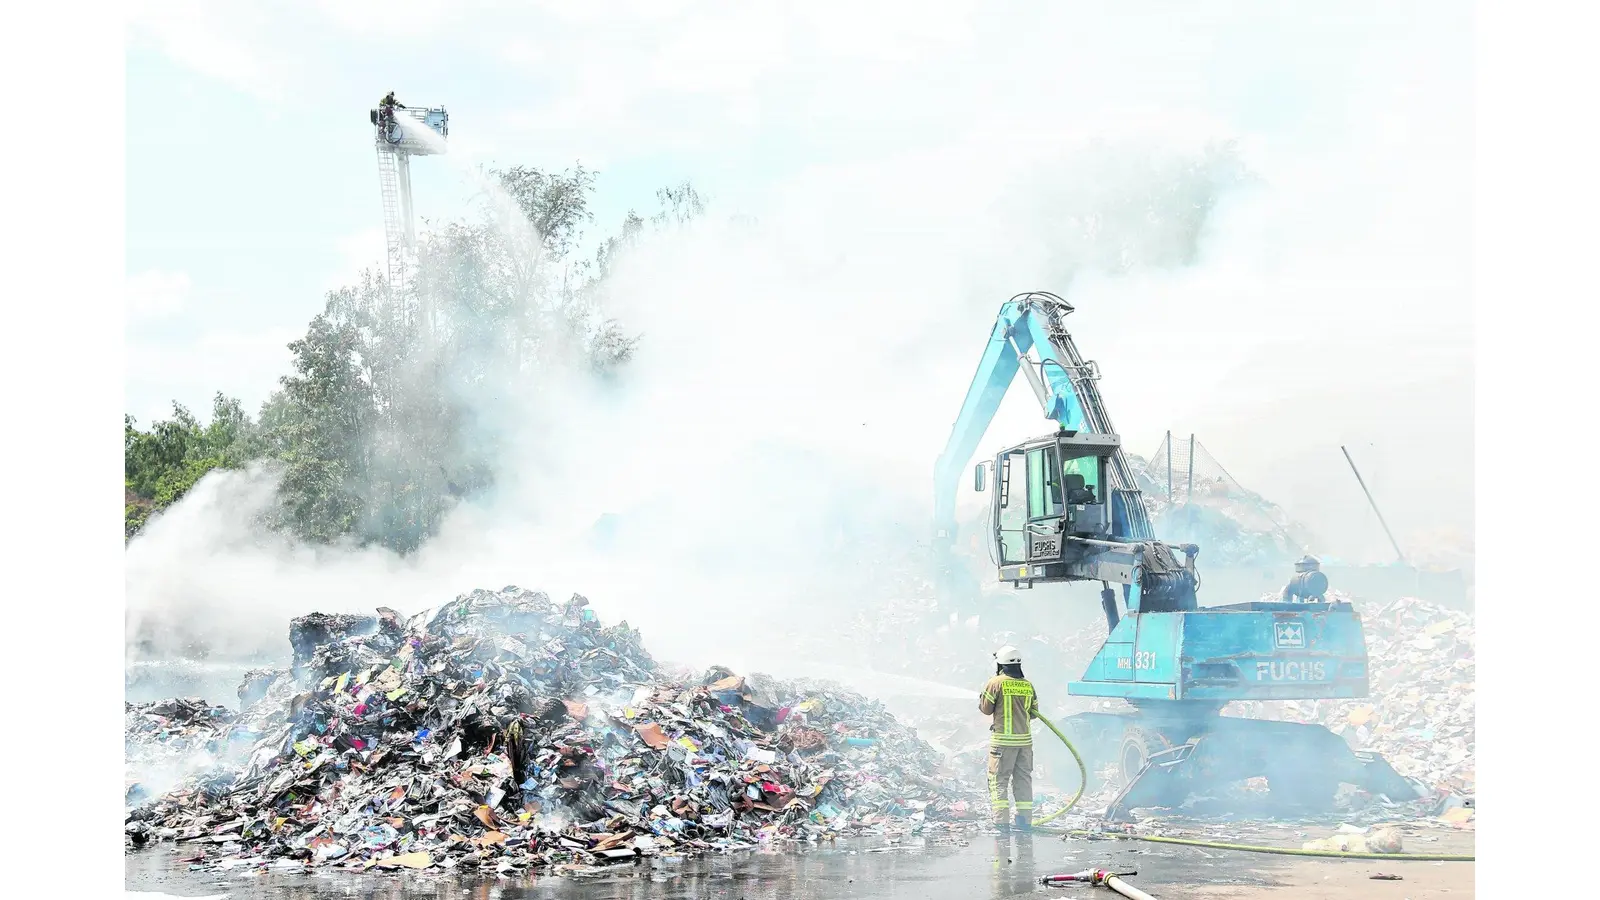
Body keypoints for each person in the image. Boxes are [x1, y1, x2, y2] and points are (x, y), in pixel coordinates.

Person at [979, 645, 1039, 832]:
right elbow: (1034, 713)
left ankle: (1001, 823)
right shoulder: (1028, 685)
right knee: (1023, 780)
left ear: (1001, 663)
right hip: (1024, 743)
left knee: (999, 781)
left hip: (1002, 744)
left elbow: (986, 708)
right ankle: (1024, 821)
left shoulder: (995, 683)